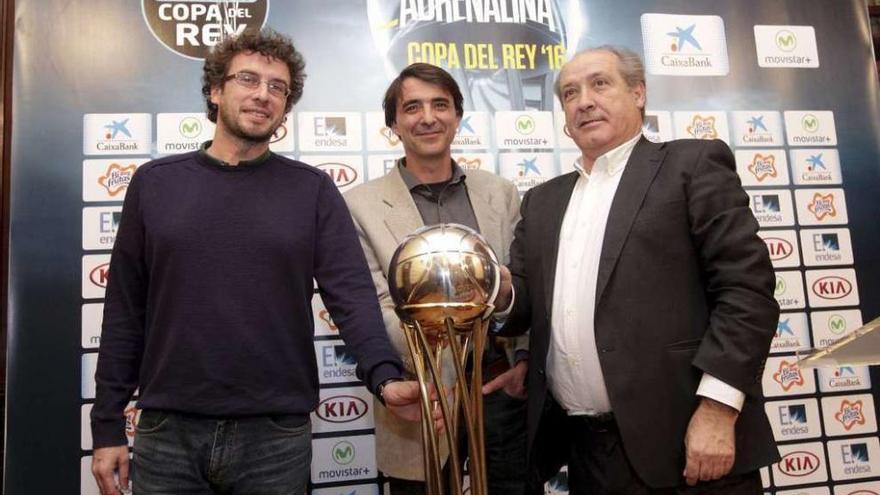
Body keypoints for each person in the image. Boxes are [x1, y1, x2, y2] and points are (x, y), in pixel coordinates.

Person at [90, 29, 427, 495]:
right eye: (248, 79)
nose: (262, 95)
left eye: (277, 87)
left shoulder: (312, 191)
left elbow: (352, 297)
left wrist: (385, 377)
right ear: (215, 89)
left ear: (286, 106)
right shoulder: (154, 185)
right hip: (168, 434)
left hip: (276, 438)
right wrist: (107, 425)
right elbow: (125, 310)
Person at [494, 45, 780, 494]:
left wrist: (719, 408)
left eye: (600, 83)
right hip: (586, 454)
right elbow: (523, 304)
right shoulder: (543, 201)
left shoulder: (691, 164)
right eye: (570, 93)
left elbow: (747, 292)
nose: (584, 100)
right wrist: (497, 287)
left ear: (639, 92)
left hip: (689, 445)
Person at [344, 63, 533, 494]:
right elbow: (374, 304)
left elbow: (523, 285)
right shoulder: (360, 205)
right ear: (393, 123)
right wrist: (431, 372)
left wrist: (523, 361)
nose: (427, 117)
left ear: (457, 115)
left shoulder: (501, 193)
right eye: (412, 107)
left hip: (501, 393)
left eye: (440, 105)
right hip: (420, 401)